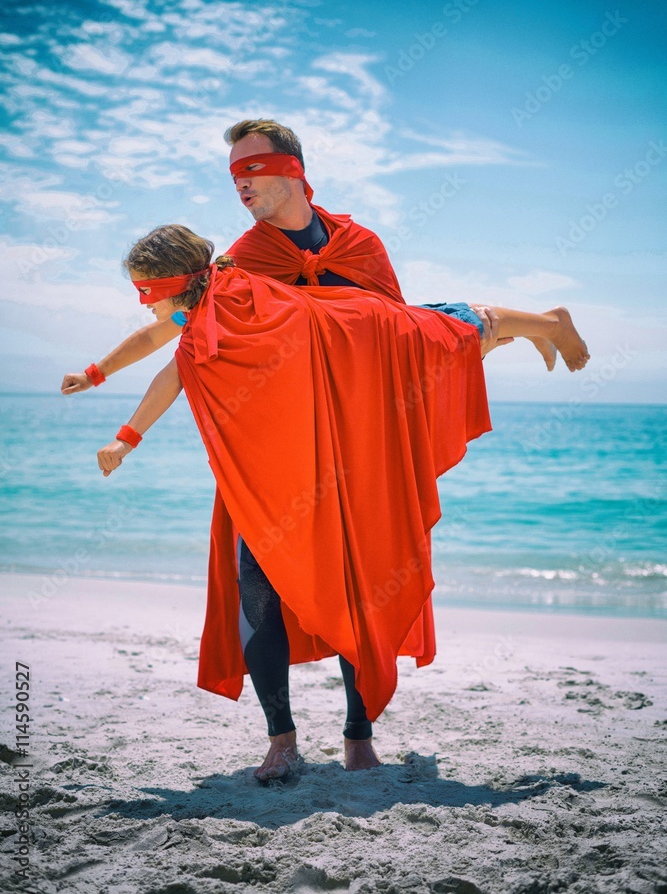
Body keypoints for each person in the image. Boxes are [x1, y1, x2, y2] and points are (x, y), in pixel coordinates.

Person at [63, 120, 589, 782]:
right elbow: (175, 340)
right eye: (232, 174)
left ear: (293, 169)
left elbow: (392, 330)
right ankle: (280, 738)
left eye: (251, 169)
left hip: (353, 444)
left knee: (360, 576)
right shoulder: (237, 264)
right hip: (273, 449)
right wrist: (103, 384)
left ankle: (357, 735)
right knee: (255, 586)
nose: (240, 184)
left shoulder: (358, 242)